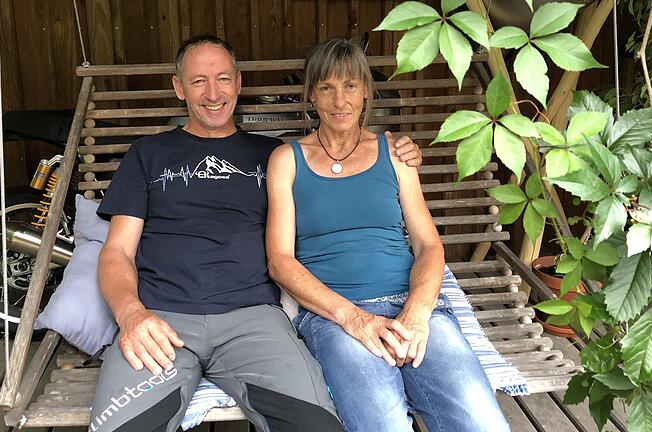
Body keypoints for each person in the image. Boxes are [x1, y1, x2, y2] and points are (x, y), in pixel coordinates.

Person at [89, 34, 422, 432]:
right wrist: (131, 315)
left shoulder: (277, 156)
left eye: (223, 79)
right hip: (162, 321)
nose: (213, 93)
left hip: (254, 322)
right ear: (179, 88)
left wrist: (396, 150)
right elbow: (116, 253)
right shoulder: (148, 154)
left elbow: (344, 183)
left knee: (316, 427)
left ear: (238, 83)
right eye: (198, 81)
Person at [265, 37, 511, 432]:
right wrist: (354, 318)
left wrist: (417, 312)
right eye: (326, 87)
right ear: (311, 94)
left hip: (407, 304)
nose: (339, 101)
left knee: (483, 424)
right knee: (383, 426)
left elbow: (429, 244)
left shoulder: (396, 153)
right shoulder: (286, 159)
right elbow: (279, 260)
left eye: (350, 86)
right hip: (335, 317)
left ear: (366, 91)